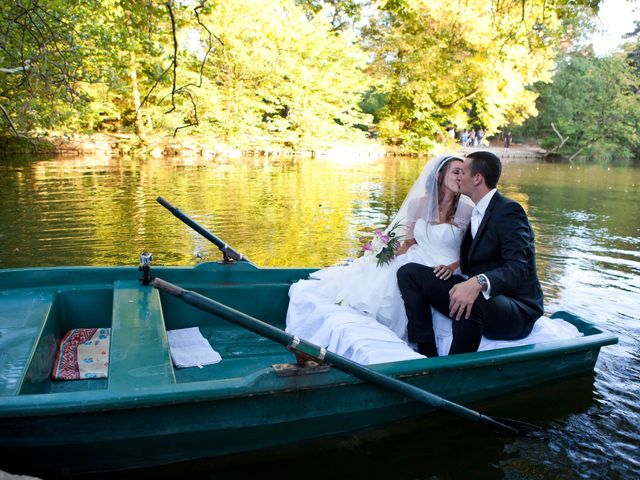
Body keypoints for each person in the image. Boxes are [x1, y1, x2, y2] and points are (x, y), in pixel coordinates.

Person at [306, 154, 474, 341]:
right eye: (456, 172)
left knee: (408, 279)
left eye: (464, 173)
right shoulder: (418, 204)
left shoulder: (468, 211)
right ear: (439, 175)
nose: (460, 177)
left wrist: (452, 267)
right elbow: (410, 242)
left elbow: (471, 252)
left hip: (448, 267)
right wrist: (392, 254)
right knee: (387, 273)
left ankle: (420, 338)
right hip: (417, 257)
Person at [397, 151, 543, 357]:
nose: (459, 177)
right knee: (409, 273)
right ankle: (427, 353)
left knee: (471, 297)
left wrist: (478, 282)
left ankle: (455, 367)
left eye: (462, 172)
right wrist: (451, 267)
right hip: (487, 298)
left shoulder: (508, 210)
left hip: (516, 310)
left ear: (477, 178)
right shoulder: (475, 211)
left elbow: (519, 267)